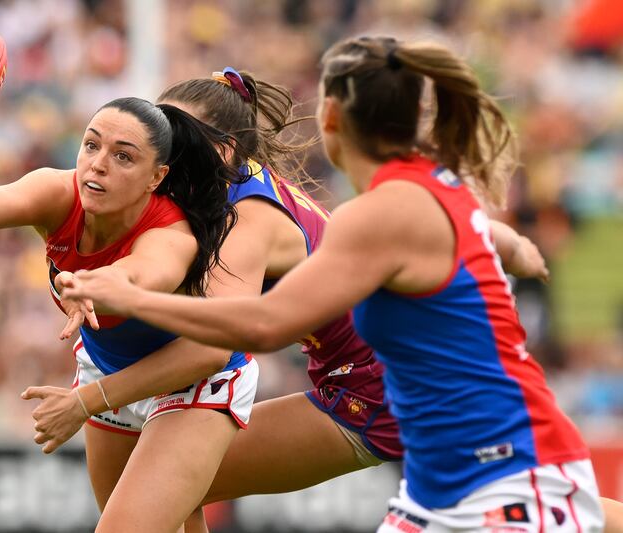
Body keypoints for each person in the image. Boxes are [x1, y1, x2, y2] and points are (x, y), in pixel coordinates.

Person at [63, 38, 613, 532]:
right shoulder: (423, 191)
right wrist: (511, 248)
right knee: (165, 487)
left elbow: (256, 326)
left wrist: (131, 305)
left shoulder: (273, 217)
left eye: (174, 134)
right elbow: (472, 230)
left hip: (408, 412)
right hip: (448, 440)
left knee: (162, 487)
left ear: (330, 120)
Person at [0, 97, 260, 533]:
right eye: (91, 146)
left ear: (156, 177)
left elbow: (142, 277)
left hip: (193, 377)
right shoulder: (59, 192)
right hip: (108, 367)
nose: (98, 165)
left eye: (123, 156)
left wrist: (92, 285)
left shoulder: (170, 232)